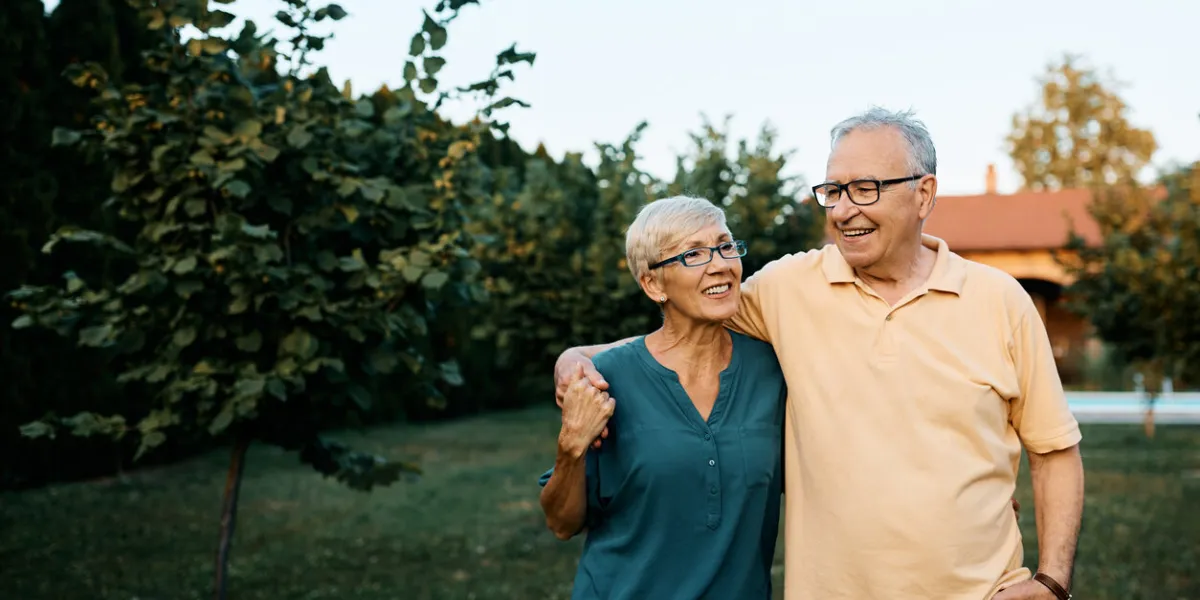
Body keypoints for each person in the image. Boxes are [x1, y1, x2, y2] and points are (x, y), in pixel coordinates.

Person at [554, 108, 1085, 600]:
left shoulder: (1000, 301)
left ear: (924, 194)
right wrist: (575, 358)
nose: (845, 209)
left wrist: (1053, 579)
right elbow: (684, 329)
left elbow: (1054, 450)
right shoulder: (788, 288)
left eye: (866, 188)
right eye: (833, 190)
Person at [538, 195, 788, 599]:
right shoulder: (608, 378)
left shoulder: (772, 370)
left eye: (725, 246)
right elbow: (562, 524)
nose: (720, 264)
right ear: (653, 284)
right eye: (693, 254)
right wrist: (571, 448)